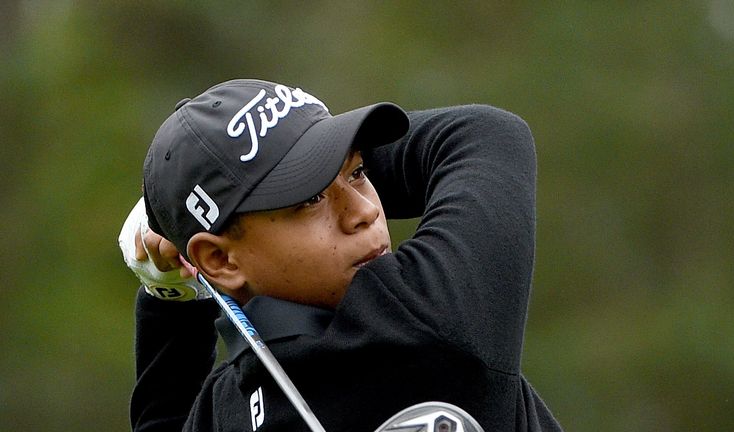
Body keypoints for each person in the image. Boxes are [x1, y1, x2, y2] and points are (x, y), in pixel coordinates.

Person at [119, 78, 563, 431]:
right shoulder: (424, 315)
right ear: (221, 261)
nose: (366, 211)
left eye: (358, 172)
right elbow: (485, 136)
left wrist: (169, 294)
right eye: (310, 200)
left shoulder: (233, 403)